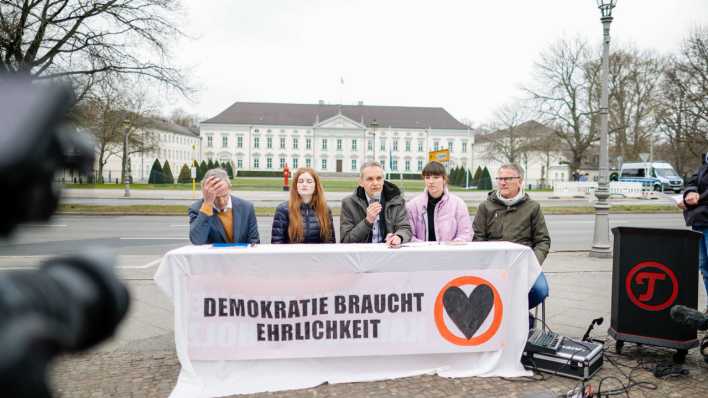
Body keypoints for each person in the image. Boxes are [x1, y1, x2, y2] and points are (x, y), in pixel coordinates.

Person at [472, 164, 551, 316]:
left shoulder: (532, 207)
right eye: (500, 179)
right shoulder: (485, 207)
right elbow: (478, 238)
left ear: (520, 181)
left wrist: (532, 262)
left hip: (525, 265)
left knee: (540, 290)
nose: (502, 182)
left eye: (508, 178)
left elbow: (543, 241)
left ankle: (518, 315)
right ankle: (509, 317)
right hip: (493, 265)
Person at [340, 161, 412, 246]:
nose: (375, 183)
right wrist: (367, 221)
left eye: (379, 178)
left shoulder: (397, 201)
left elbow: (405, 228)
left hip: (388, 252)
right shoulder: (349, 203)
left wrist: (398, 237)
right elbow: (345, 240)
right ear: (361, 182)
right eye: (370, 179)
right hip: (362, 255)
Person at [188, 168, 260, 245]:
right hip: (213, 257)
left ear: (229, 188)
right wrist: (207, 204)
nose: (221, 202)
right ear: (206, 193)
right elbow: (197, 240)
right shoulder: (197, 209)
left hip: (241, 256)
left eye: (224, 195)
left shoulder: (246, 208)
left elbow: (254, 242)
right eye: (216, 197)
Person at [406, 161, 472, 242]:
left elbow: (466, 233)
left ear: (444, 179)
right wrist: (425, 248)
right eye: (427, 177)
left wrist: (454, 244)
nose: (431, 181)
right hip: (422, 253)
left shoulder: (458, 204)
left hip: (449, 252)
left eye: (436, 177)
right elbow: (408, 234)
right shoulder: (413, 205)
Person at [271, 167, 335, 244]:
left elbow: (330, 241)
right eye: (301, 181)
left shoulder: (325, 210)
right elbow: (277, 243)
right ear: (296, 186)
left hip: (317, 255)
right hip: (292, 255)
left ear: (316, 186)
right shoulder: (283, 210)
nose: (304, 184)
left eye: (309, 181)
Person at [680, 154, 708, 312]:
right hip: (700, 222)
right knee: (704, 267)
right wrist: (690, 193)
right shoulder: (705, 163)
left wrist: (690, 201)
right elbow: (692, 182)